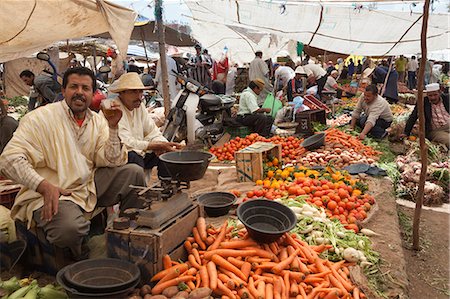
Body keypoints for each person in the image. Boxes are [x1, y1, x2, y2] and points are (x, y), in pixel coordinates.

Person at [0, 67, 146, 260]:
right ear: (63, 91)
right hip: (52, 193)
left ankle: (127, 237)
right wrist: (42, 186)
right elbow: (9, 159)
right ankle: (80, 260)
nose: (79, 92)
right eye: (73, 87)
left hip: (87, 186)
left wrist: (112, 128)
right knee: (70, 229)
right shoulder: (40, 118)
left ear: (93, 94)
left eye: (85, 88)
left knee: (133, 173)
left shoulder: (97, 121)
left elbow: (112, 160)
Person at [109, 73, 182, 174]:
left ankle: (168, 185)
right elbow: (125, 143)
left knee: (165, 155)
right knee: (134, 156)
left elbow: (152, 131)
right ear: (122, 93)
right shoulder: (114, 109)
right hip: (119, 158)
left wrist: (163, 144)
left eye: (140, 92)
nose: (139, 96)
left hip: (140, 152)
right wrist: (153, 145)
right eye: (134, 92)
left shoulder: (139, 106)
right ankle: (138, 188)